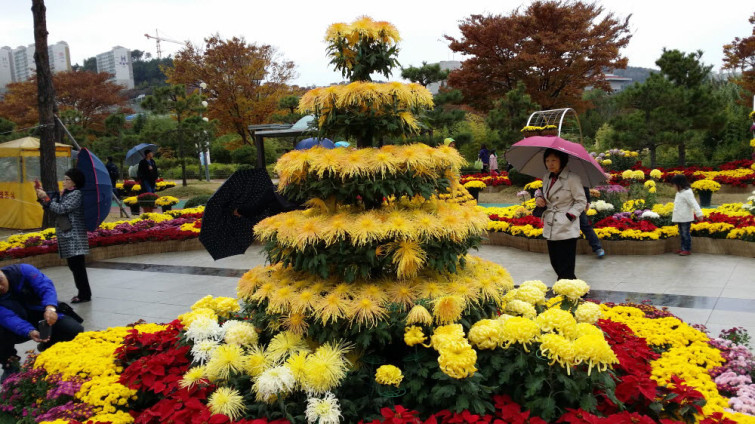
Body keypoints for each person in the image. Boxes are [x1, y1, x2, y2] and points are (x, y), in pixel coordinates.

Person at [0, 264, 84, 382]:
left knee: (75, 329)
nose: (0, 288)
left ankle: (50, 345)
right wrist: (29, 331)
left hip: (43, 312)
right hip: (17, 324)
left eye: (0, 281)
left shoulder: (23, 271)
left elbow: (46, 288)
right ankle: (10, 364)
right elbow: (8, 318)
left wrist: (50, 308)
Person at [35, 168, 92, 303]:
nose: (64, 181)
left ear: (75, 182)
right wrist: (42, 196)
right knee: (74, 266)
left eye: (67, 179)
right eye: (64, 179)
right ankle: (83, 293)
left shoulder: (76, 194)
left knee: (77, 266)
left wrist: (46, 198)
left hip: (74, 236)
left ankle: (84, 294)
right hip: (68, 235)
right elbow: (51, 207)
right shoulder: (65, 193)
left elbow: (61, 209)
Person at [534, 149, 587, 281]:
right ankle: (572, 287)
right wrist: (539, 198)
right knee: (555, 262)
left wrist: (569, 216)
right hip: (551, 223)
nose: (550, 164)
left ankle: (567, 288)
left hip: (566, 225)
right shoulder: (547, 177)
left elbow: (581, 201)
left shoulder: (572, 178)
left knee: (566, 265)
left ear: (562, 161)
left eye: (554, 160)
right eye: (547, 160)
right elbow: (545, 194)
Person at [670, 174, 703, 256]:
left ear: (680, 184)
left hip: (685, 218)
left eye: (675, 185)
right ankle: (683, 248)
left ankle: (687, 249)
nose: (674, 187)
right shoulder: (679, 193)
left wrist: (699, 214)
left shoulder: (687, 193)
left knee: (685, 233)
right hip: (680, 218)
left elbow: (694, 203)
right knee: (682, 234)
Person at [580, 187, 605, 258]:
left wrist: (588, 201)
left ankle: (597, 248)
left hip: (577, 205)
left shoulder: (578, 179)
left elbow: (585, 186)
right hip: (561, 206)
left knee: (585, 226)